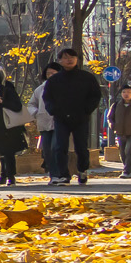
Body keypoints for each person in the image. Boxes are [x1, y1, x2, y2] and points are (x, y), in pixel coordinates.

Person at [42, 47, 102, 185]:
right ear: (60, 61)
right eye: (66, 58)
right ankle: (63, 175)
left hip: (81, 118)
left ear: (77, 59)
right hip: (61, 118)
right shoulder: (54, 80)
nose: (69, 60)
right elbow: (47, 98)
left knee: (81, 147)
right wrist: (53, 110)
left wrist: (87, 109)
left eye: (72, 57)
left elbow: (95, 96)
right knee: (60, 147)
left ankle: (82, 170)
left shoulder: (87, 77)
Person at [24, 62, 59, 180]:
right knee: (47, 150)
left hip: (60, 123)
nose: (51, 75)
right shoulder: (40, 89)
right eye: (48, 73)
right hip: (44, 123)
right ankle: (53, 174)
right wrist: (37, 113)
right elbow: (31, 104)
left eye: (54, 73)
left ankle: (59, 173)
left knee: (56, 148)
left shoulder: (65, 87)